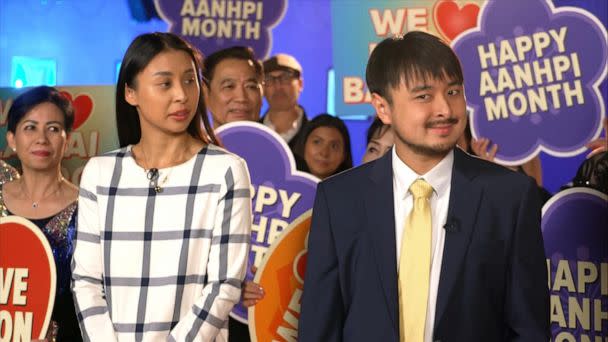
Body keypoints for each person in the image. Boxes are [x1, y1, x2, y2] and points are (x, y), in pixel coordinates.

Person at [299, 31, 549, 342]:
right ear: (383, 107)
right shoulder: (339, 199)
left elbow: (528, 329)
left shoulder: (509, 196)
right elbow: (319, 327)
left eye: (454, 92)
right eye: (424, 96)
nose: (445, 109)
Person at [72, 32, 252, 341]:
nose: (181, 95)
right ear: (131, 93)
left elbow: (224, 285)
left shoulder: (225, 170)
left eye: (189, 81)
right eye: (165, 83)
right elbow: (86, 280)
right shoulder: (101, 173)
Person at [1, 85, 81, 341]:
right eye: (30, 127)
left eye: (54, 129)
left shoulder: (88, 207)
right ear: (12, 138)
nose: (42, 139)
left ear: (67, 139)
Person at [202, 46, 263, 128]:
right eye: (229, 86)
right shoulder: (188, 141)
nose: (241, 98)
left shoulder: (277, 140)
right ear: (205, 93)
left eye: (251, 87)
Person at [260, 54, 308, 155]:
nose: (278, 86)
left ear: (300, 84)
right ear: (262, 88)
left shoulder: (316, 135)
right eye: (269, 79)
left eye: (285, 78)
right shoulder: (251, 133)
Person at [295, 113, 353, 180]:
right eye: (317, 142)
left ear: (344, 155)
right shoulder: (282, 186)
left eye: (334, 146)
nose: (324, 153)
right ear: (304, 144)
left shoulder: (354, 189)